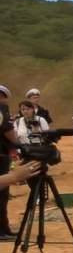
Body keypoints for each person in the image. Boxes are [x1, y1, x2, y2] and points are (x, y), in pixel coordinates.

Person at [0, 85, 16, 239]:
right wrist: (18, 144)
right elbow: (8, 131)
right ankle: (2, 230)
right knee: (2, 194)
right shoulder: (2, 108)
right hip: (1, 156)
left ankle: (4, 228)